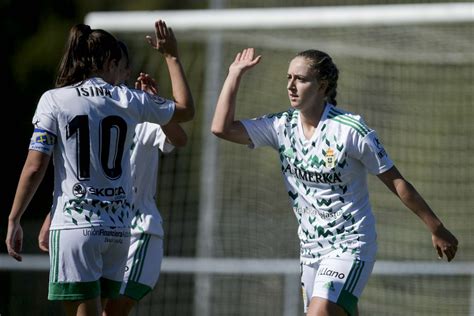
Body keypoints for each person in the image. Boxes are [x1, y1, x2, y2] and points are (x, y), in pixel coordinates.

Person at [211, 48, 458, 316]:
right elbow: (221, 129)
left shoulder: (351, 130)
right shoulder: (280, 126)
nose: (291, 86)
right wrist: (234, 74)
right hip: (310, 249)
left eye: (301, 79)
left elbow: (396, 181)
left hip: (351, 243)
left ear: (322, 86)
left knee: (320, 313)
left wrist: (436, 227)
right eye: (289, 77)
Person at [6, 19, 194, 316]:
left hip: (76, 226)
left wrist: (15, 217)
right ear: (109, 61)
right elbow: (186, 111)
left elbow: (34, 166)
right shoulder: (129, 100)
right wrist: (171, 57)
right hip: (118, 230)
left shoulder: (54, 100)